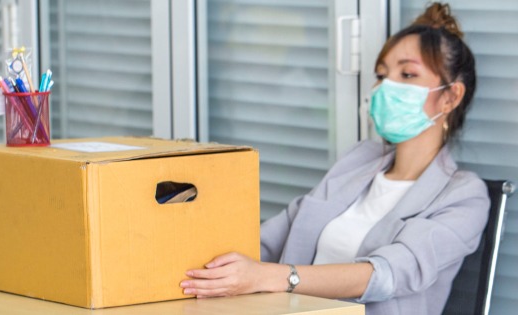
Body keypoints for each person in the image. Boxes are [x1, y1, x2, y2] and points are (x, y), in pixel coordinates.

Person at [179, 3, 489, 314]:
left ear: (450, 97)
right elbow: (273, 237)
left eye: (407, 74)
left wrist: (271, 277)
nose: (384, 87)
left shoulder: (464, 195)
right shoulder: (359, 160)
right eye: (382, 75)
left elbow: (387, 275)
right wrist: (202, 265)